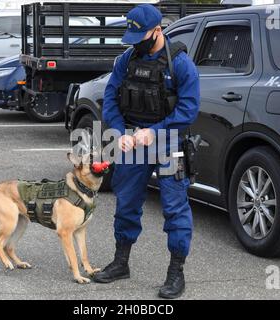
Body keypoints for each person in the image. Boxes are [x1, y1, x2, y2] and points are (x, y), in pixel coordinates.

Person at [93, 4, 200, 299]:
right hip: (132, 142)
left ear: (158, 30)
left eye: (141, 36)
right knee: (126, 203)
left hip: (167, 142)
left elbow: (188, 111)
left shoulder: (181, 65)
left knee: (175, 209)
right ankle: (120, 263)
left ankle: (175, 273)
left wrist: (152, 133)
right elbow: (111, 99)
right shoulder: (126, 61)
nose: (136, 42)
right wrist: (119, 132)